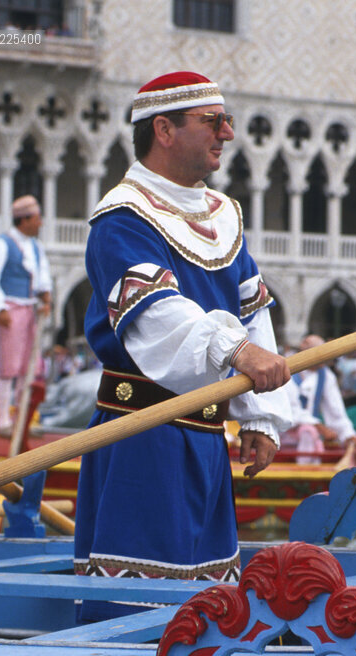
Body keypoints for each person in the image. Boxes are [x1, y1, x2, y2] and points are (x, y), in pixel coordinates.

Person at [74, 72, 294, 621]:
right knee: (136, 611)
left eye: (227, 120)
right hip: (140, 435)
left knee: (204, 606)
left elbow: (254, 309)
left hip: (204, 440)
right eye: (212, 122)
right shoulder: (123, 218)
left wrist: (260, 417)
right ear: (164, 130)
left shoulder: (223, 217)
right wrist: (237, 354)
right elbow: (157, 317)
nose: (226, 133)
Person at [0, 195, 53, 435]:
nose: (40, 223)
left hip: (29, 308)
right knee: (9, 367)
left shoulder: (35, 247)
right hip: (9, 308)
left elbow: (41, 277)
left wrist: (45, 297)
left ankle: (21, 419)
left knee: (28, 367)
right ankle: (4, 420)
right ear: (25, 220)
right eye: (37, 219)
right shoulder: (0, 244)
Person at [281, 334, 356, 463]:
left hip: (308, 435)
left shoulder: (327, 376)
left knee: (309, 431)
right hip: (283, 431)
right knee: (309, 431)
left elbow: (336, 410)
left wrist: (348, 434)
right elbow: (290, 410)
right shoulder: (285, 371)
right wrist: (319, 426)